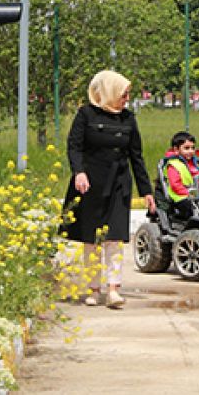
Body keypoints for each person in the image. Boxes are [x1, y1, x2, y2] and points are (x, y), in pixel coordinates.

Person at [61, 70, 155, 309]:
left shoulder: (128, 119)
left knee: (114, 238)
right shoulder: (85, 115)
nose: (126, 99)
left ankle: (114, 289)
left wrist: (147, 191)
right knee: (92, 239)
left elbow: (137, 157)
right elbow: (74, 147)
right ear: (109, 92)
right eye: (123, 94)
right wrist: (78, 172)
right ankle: (94, 289)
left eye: (128, 95)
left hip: (118, 184)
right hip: (89, 185)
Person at [163, 131, 199, 221]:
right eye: (187, 148)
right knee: (189, 207)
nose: (191, 151)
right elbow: (175, 185)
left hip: (197, 195)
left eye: (193, 148)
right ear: (176, 150)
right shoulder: (173, 165)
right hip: (180, 196)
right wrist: (189, 193)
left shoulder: (197, 164)